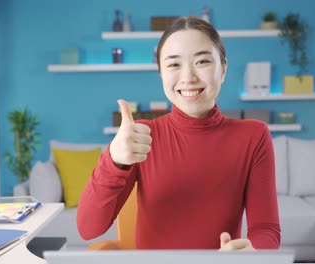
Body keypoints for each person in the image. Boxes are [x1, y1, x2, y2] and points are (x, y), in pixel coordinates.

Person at [77, 16, 280, 251]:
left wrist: (253, 252)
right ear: (161, 73)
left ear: (223, 70)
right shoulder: (140, 137)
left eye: (202, 61)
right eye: (174, 64)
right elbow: (88, 229)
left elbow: (266, 230)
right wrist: (113, 160)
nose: (189, 77)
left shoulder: (254, 136)